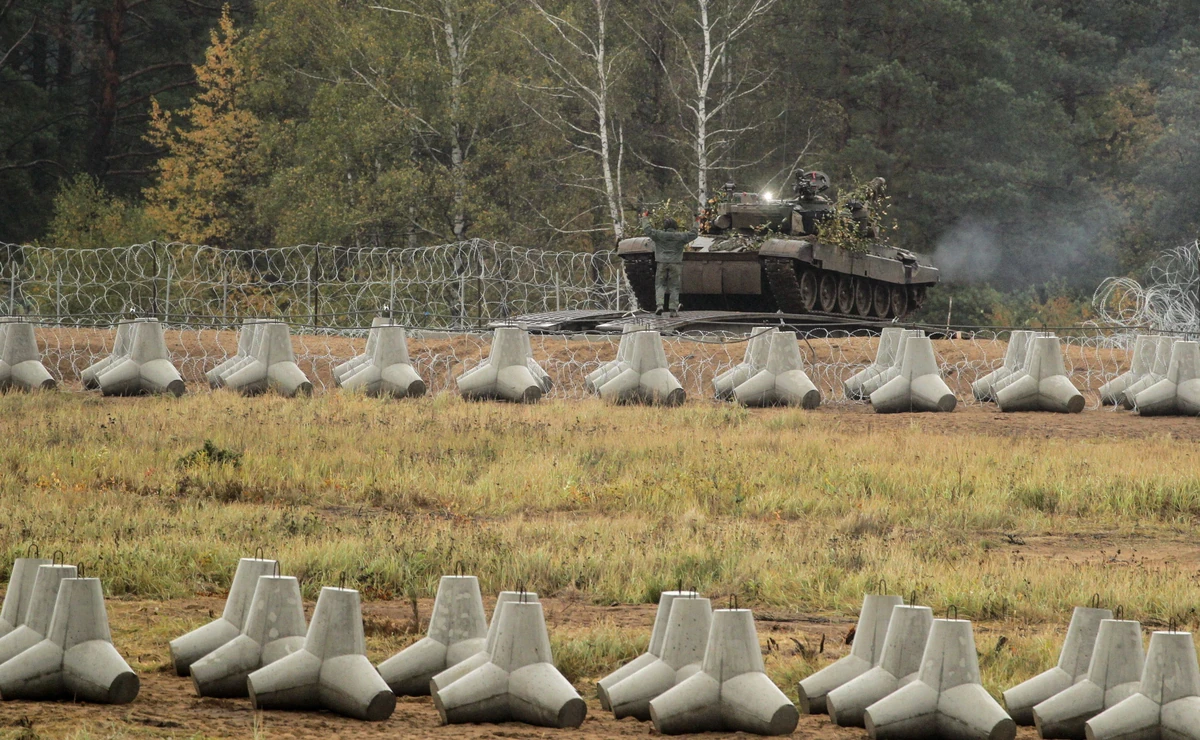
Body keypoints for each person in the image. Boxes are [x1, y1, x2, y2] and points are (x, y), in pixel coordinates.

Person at [642, 213, 697, 317]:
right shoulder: (681, 236)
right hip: (675, 264)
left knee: (660, 284)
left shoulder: (659, 235)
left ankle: (659, 305)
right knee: (674, 287)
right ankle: (673, 309)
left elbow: (647, 230)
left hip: (661, 263)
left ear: (665, 227)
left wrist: (645, 218)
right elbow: (694, 234)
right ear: (675, 226)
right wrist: (697, 221)